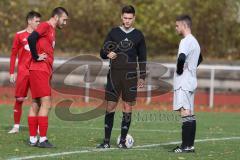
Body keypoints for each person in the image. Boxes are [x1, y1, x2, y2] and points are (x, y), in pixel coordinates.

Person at [97, 5, 147, 149]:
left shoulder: (138, 35)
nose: (127, 21)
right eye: (125, 18)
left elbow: (143, 57)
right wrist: (107, 54)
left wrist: (142, 76)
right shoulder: (114, 33)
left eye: (130, 18)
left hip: (130, 75)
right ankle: (106, 142)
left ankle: (123, 141)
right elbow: (102, 51)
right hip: (114, 74)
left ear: (134, 18)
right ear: (121, 17)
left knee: (127, 106)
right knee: (111, 105)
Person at [27, 7, 68, 148]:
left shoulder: (51, 30)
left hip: (40, 70)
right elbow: (31, 38)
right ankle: (42, 139)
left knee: (36, 103)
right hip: (40, 69)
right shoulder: (45, 25)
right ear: (56, 17)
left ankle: (32, 139)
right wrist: (35, 56)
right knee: (46, 103)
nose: (65, 23)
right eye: (64, 19)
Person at [172, 15, 202, 153]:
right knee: (190, 113)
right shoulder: (195, 41)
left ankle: (185, 146)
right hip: (191, 80)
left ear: (184, 25)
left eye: (177, 25)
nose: (176, 28)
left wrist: (179, 70)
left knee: (185, 112)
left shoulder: (185, 41)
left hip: (183, 82)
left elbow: (181, 57)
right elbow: (200, 58)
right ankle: (190, 146)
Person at [8, 11, 41, 134]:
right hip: (22, 72)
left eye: (39, 21)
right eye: (36, 21)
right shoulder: (19, 35)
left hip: (36, 72)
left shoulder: (40, 36)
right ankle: (16, 126)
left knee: (37, 100)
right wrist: (12, 72)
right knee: (19, 99)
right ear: (29, 21)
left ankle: (37, 127)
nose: (39, 23)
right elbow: (13, 54)